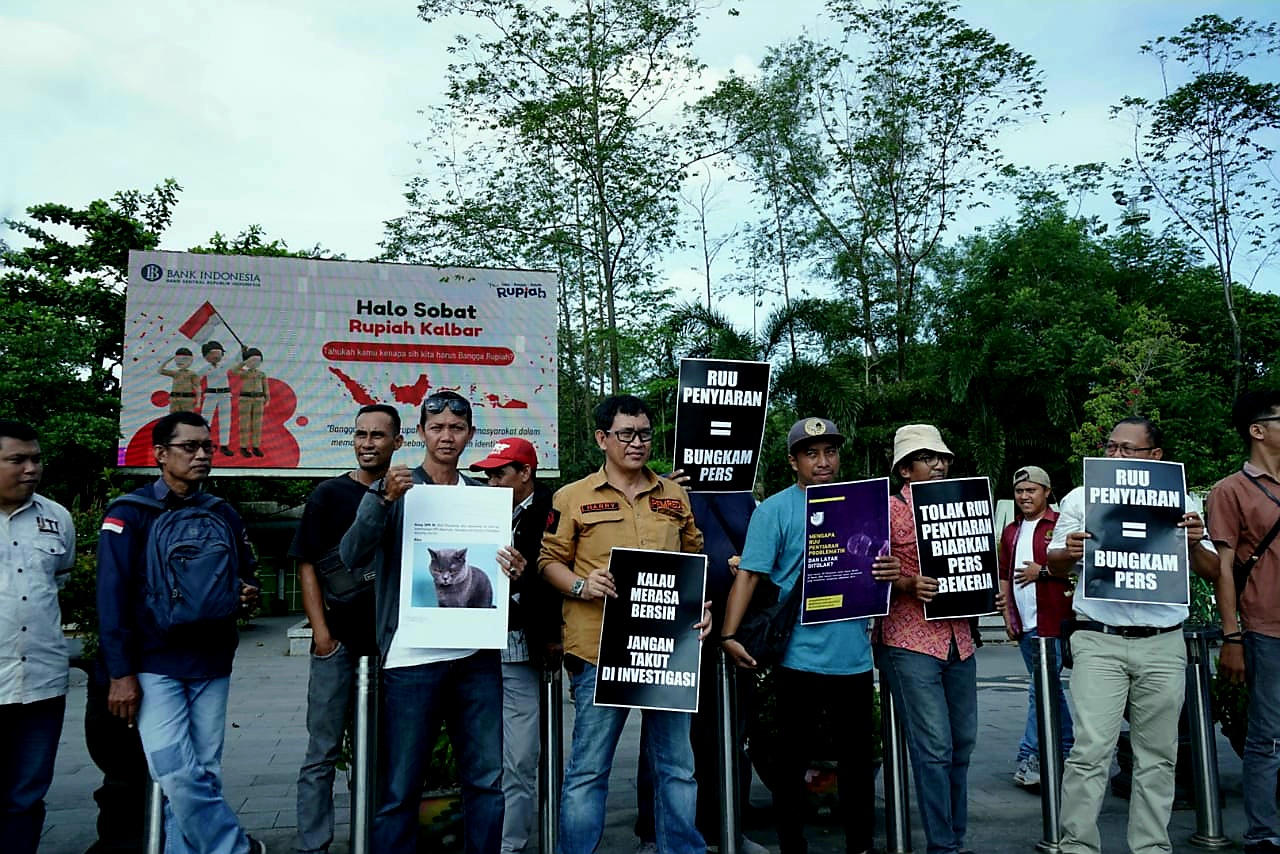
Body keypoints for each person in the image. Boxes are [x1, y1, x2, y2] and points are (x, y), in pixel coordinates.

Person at [339, 391, 527, 854]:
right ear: (420, 433)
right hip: (410, 659)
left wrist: (513, 568)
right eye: (437, 427)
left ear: (470, 436)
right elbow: (350, 555)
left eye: (456, 428)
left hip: (476, 659)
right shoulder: (397, 489)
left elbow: (499, 570)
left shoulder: (485, 498)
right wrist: (380, 499)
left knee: (486, 781)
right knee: (399, 788)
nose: (447, 436)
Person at [720, 417, 900, 854]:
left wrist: (891, 572)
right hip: (797, 657)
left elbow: (879, 570)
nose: (823, 461)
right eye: (812, 453)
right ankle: (791, 844)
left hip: (854, 656)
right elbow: (749, 575)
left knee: (857, 762)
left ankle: (860, 844)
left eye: (830, 452)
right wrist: (728, 634)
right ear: (793, 461)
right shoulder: (775, 510)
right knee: (791, 762)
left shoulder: (863, 505)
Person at [539, 394, 707, 854]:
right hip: (598, 652)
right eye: (626, 434)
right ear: (602, 438)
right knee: (589, 769)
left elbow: (693, 559)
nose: (637, 443)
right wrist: (581, 586)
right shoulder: (571, 497)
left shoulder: (674, 496)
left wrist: (702, 607)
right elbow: (548, 561)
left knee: (676, 766)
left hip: (667, 652)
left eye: (645, 434)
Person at [1046, 416, 1219, 854]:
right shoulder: (1083, 498)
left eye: (1128, 449)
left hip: (1162, 640)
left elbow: (1213, 570)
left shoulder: (1181, 501)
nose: (1116, 456)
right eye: (1111, 447)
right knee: (1089, 752)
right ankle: (1078, 846)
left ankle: (1151, 847)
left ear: (1155, 457)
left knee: (1158, 756)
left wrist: (1195, 543)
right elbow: (1053, 563)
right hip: (1098, 638)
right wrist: (1068, 552)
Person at [96, 411, 265, 854]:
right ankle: (234, 848)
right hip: (154, 664)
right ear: (161, 454)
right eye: (189, 447)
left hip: (212, 661)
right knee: (174, 770)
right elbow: (110, 598)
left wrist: (248, 593)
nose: (202, 455)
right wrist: (120, 672)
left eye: (207, 446)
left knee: (204, 772)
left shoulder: (222, 513)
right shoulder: (128, 514)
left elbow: (247, 574)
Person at [876, 423, 995, 854]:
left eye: (942, 457)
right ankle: (942, 846)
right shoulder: (886, 510)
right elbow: (864, 573)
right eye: (928, 458)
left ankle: (955, 840)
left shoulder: (966, 504)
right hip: (909, 641)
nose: (940, 464)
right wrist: (906, 582)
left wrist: (991, 589)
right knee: (934, 749)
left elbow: (978, 565)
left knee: (962, 744)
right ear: (906, 469)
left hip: (959, 639)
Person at [292, 404, 400, 854]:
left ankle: (371, 838)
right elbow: (307, 564)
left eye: (378, 435)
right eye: (360, 434)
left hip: (388, 647)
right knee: (322, 750)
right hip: (337, 644)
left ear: (397, 442)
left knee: (378, 754)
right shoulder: (329, 495)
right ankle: (313, 843)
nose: (367, 443)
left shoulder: (406, 494)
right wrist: (321, 635)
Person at [468, 436, 558, 854]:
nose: (490, 482)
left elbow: (572, 579)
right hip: (472, 649)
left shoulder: (555, 511)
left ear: (525, 473)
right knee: (483, 757)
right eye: (487, 475)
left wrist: (526, 580)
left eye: (499, 473)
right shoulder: (479, 509)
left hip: (522, 648)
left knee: (520, 758)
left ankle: (511, 845)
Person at [1208, 390, 1280, 854]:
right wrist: (1231, 634)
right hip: (1265, 628)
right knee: (1267, 736)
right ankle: (1263, 833)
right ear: (1257, 430)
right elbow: (1223, 570)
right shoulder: (1230, 490)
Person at [0, 420, 76, 854]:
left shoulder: (56, 518)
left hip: (41, 682)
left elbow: (57, 583)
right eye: (16, 460)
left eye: (36, 459)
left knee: (26, 796)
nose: (31, 468)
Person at [999, 464, 1073, 789]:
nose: (1025, 496)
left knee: (1039, 691)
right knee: (1048, 690)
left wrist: (1041, 572)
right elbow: (1004, 575)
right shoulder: (1011, 531)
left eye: (1031, 490)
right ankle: (1068, 751)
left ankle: (1030, 757)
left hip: (1055, 622)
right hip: (1026, 624)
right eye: (1019, 491)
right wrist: (1007, 617)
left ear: (1046, 492)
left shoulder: (1060, 525)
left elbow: (1076, 568)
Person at [196, 341, 234, 456]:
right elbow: (195, 378)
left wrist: (243, 353)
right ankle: (202, 443)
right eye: (212, 354)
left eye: (218, 353)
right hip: (211, 394)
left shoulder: (225, 365)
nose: (216, 356)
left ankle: (224, 445)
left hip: (225, 395)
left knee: (225, 419)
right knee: (205, 419)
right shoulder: (205, 368)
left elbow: (237, 361)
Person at [234, 347, 269, 458]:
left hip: (258, 399)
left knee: (257, 424)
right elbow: (233, 371)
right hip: (245, 399)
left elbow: (265, 387)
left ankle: (255, 446)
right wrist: (244, 361)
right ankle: (243, 447)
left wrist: (267, 398)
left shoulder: (261, 374)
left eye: (258, 360)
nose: (255, 363)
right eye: (252, 360)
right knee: (245, 424)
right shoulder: (244, 373)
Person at [159, 348, 201, 413]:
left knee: (187, 418)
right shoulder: (175, 373)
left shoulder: (193, 374)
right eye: (178, 359)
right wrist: (169, 359)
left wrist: (198, 402)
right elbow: (160, 371)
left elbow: (197, 387)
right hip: (174, 399)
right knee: (174, 418)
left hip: (187, 399)